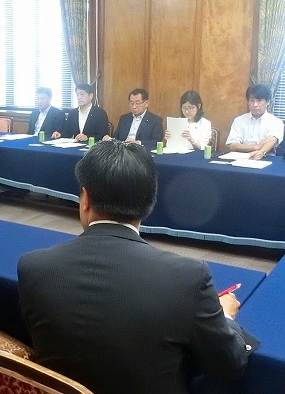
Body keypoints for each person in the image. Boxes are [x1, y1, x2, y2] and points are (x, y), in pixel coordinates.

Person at [17, 140, 257, 394]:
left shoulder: (33, 267)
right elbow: (230, 365)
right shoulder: (188, 278)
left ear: (85, 199)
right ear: (148, 204)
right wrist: (225, 315)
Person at [226, 83, 283, 159]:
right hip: (241, 158)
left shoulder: (276, 122)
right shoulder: (239, 120)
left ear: (268, 102)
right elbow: (233, 145)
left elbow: (271, 141)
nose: (255, 104)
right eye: (252, 100)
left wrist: (261, 151)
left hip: (266, 157)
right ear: (248, 102)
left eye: (259, 100)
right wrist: (255, 147)